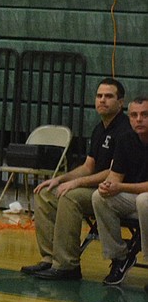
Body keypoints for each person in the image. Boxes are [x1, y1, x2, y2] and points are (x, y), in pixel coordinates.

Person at [20, 78, 129, 281]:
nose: (102, 100)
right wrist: (60, 179)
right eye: (99, 96)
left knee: (71, 196)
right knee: (45, 193)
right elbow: (88, 167)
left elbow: (111, 173)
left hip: (114, 192)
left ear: (121, 102)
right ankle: (50, 258)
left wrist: (75, 183)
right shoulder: (99, 129)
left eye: (108, 96)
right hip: (95, 188)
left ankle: (67, 264)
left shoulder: (125, 130)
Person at [91, 95, 148, 288]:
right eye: (134, 115)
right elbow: (115, 177)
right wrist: (107, 186)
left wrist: (120, 187)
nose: (139, 119)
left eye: (145, 115)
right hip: (134, 199)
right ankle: (119, 257)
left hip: (143, 199)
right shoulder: (125, 140)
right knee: (99, 197)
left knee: (145, 201)